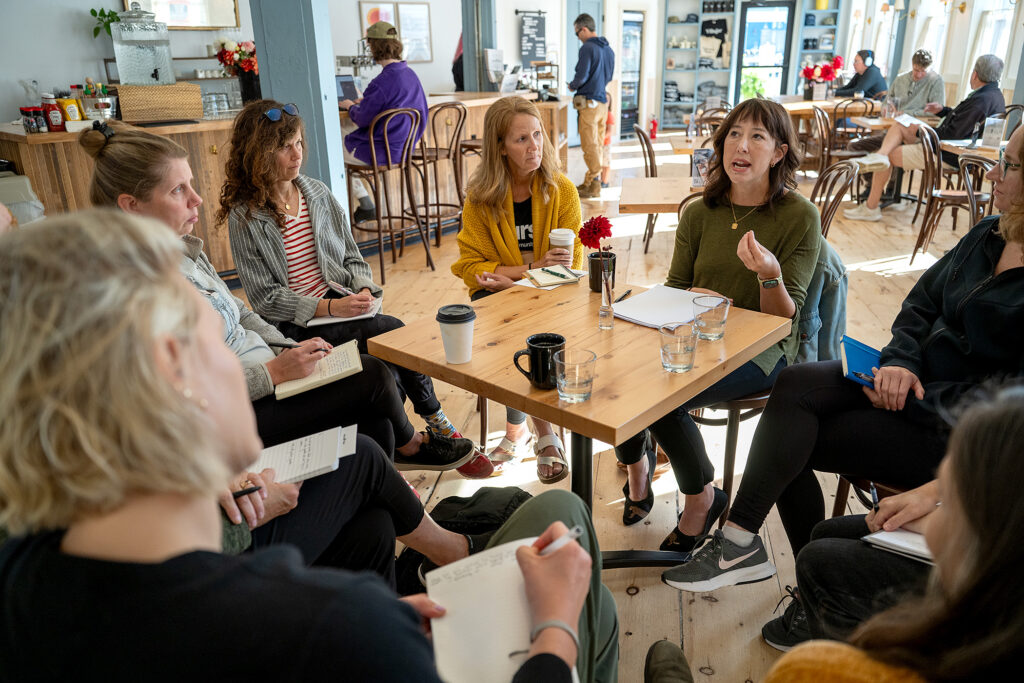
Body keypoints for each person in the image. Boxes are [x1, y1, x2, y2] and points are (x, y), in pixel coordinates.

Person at [0, 211, 619, 682]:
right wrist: (555, 627)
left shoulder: (24, 576)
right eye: (216, 337)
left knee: (374, 522)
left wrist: (376, 632)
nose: (241, 358)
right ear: (173, 369)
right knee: (566, 522)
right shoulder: (327, 625)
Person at [79, 123, 477, 582]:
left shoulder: (185, 252)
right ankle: (443, 533)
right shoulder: (132, 293)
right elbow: (185, 401)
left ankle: (392, 565)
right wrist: (275, 371)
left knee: (374, 476)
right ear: (130, 206)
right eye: (178, 190)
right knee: (369, 393)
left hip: (270, 371)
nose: (197, 200)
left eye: (191, 185)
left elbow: (244, 314)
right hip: (250, 403)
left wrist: (292, 352)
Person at [660, 122, 1024, 600]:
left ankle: (804, 580)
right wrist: (902, 363)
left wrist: (912, 393)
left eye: (1009, 165)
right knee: (795, 386)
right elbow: (920, 304)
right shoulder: (988, 234)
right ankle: (747, 545)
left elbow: (1011, 404)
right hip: (911, 381)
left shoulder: (797, 214)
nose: (993, 172)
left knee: (790, 439)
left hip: (960, 436)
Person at [221, 100, 490, 478]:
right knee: (393, 332)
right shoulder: (245, 216)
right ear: (259, 154)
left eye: (299, 143)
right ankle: (434, 426)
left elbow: (352, 258)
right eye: (284, 147)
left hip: (340, 305)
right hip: (296, 326)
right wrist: (331, 309)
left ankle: (398, 455)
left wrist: (363, 289)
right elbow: (266, 299)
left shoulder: (316, 193)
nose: (297, 154)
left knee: (387, 365)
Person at [617, 98, 820, 552]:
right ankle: (637, 468)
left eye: (757, 137)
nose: (741, 146)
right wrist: (691, 297)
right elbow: (675, 288)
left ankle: (701, 499)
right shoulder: (699, 212)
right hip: (695, 335)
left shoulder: (799, 216)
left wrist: (769, 275)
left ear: (779, 153)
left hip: (760, 351)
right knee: (621, 369)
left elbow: (784, 320)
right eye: (734, 135)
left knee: (660, 399)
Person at [764, 384, 1024, 681]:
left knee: (817, 558)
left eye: (948, 505)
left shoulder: (805, 669)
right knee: (825, 532)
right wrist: (928, 501)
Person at [451, 95, 584, 484]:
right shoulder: (481, 199)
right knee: (510, 327)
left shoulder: (562, 190)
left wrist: (517, 281)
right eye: (521, 139)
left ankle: (519, 431)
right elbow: (470, 267)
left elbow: (571, 268)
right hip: (500, 294)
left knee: (528, 328)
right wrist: (525, 272)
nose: (534, 146)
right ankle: (541, 432)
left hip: (550, 293)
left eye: (538, 135)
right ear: (500, 148)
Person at [845, 54, 1005, 222]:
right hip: (948, 147)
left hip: (947, 154)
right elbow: (962, 124)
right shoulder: (992, 96)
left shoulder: (980, 100)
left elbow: (952, 135)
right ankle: (880, 157)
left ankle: (871, 207)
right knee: (899, 126)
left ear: (975, 75)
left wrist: (920, 131)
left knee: (890, 155)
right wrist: (942, 110)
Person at [339, 21, 428, 224]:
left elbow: (363, 119)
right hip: (406, 149)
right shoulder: (411, 75)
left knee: (332, 152)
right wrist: (365, 103)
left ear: (373, 46)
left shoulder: (380, 82)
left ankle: (366, 204)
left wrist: (350, 107)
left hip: (382, 153)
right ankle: (368, 205)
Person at [849, 49, 945, 154]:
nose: (919, 75)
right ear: (912, 65)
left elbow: (936, 112)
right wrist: (885, 109)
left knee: (888, 153)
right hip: (891, 131)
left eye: (923, 71)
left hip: (913, 136)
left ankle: (878, 159)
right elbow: (886, 102)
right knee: (853, 146)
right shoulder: (900, 79)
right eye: (916, 70)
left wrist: (906, 113)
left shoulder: (936, 81)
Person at [568, 13, 615, 199]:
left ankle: (594, 184)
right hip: (602, 103)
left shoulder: (587, 48)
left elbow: (582, 76)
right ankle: (590, 181)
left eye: (577, 33)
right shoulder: (608, 50)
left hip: (589, 104)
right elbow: (609, 77)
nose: (578, 37)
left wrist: (572, 85)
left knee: (589, 145)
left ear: (584, 29)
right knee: (597, 144)